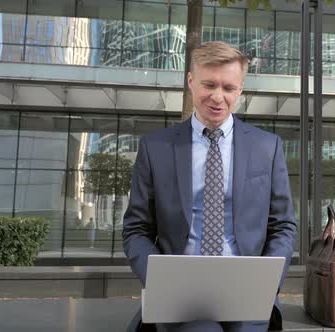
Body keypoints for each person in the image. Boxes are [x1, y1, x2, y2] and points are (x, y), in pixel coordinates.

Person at [123, 41, 297, 332]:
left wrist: (265, 285)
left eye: (228, 88)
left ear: (240, 90)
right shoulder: (156, 148)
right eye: (209, 85)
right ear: (191, 82)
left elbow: (283, 227)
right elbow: (136, 229)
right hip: (181, 294)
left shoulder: (267, 147)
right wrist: (159, 282)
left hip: (247, 290)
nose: (218, 97)